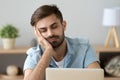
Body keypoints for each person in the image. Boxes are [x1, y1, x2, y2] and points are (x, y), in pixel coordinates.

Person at [23, 4, 100, 80]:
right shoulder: (34, 55)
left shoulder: (84, 48)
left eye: (54, 27)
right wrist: (48, 51)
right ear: (37, 34)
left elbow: (96, 78)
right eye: (43, 30)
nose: (50, 34)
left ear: (64, 25)